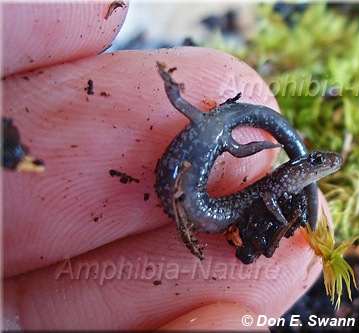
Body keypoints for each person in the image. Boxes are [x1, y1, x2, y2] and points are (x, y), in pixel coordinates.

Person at [2, 2, 331, 330]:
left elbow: (219, 132)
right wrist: (168, 82)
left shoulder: (228, 142)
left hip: (199, 210)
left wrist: (259, 149)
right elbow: (185, 106)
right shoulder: (222, 137)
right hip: (194, 203)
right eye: (312, 163)